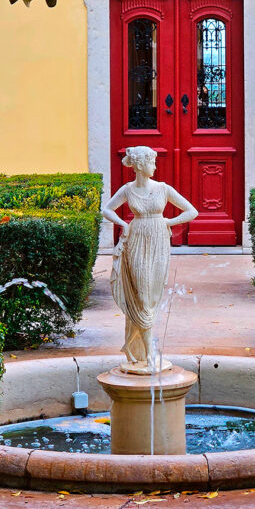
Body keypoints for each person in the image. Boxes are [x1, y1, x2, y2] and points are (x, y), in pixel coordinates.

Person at [102, 145, 198, 372]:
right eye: (152, 162)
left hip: (158, 242)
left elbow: (191, 211)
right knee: (142, 295)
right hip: (135, 240)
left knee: (152, 295)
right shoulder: (128, 189)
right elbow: (107, 210)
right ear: (140, 165)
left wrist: (168, 222)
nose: (155, 166)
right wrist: (124, 224)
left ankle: (136, 348)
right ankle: (149, 353)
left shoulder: (163, 189)